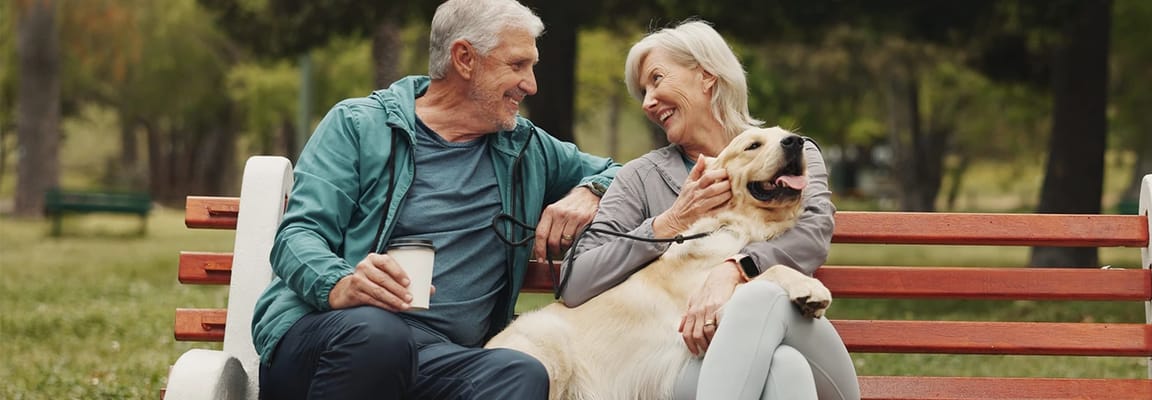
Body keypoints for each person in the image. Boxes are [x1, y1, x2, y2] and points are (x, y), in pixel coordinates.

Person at [250, 1, 621, 398]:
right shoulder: (359, 126)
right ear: (464, 58)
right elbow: (298, 235)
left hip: (437, 360)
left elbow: (625, 172)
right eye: (516, 65)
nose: (531, 85)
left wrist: (591, 190)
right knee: (381, 337)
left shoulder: (526, 149)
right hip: (334, 338)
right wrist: (339, 283)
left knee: (519, 371)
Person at [558, 20, 861, 400]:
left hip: (793, 332)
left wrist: (735, 269)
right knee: (784, 370)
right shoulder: (640, 178)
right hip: (688, 361)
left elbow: (812, 232)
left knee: (761, 298)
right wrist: (671, 222)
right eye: (643, 91)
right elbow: (576, 282)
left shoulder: (790, 151)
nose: (648, 101)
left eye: (656, 79)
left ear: (706, 77)